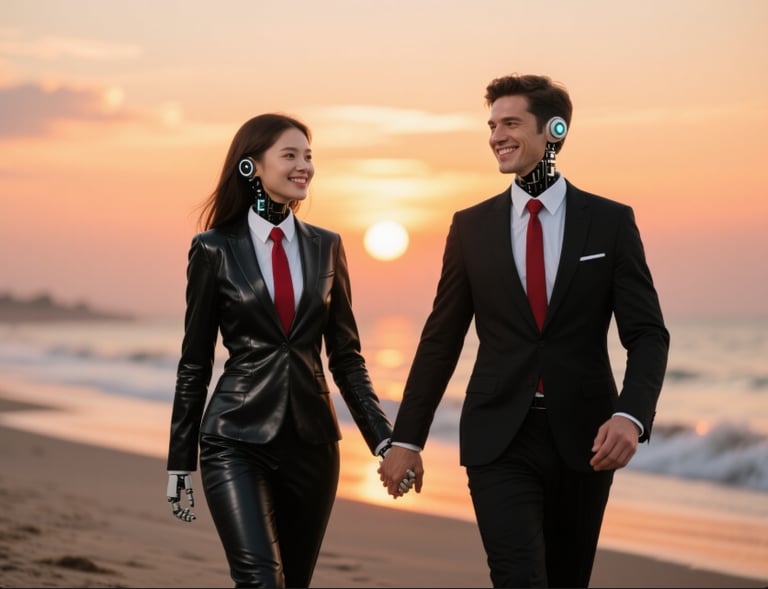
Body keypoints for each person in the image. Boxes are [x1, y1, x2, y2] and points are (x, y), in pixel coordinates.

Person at [379, 74, 670, 588]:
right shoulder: (470, 227)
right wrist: (407, 438)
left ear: (554, 130)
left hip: (587, 437)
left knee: (566, 579)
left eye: (510, 123)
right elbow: (441, 339)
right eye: (492, 125)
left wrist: (631, 415)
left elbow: (647, 334)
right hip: (497, 437)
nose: (496, 136)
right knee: (517, 576)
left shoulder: (609, 222)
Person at [165, 113, 410, 588]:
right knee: (260, 580)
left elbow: (346, 358)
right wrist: (180, 460)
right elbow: (194, 362)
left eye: (309, 156)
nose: (305, 167)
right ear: (251, 166)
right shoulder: (213, 249)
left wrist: (384, 440)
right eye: (291, 155)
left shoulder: (328, 246)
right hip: (233, 439)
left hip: (313, 446)